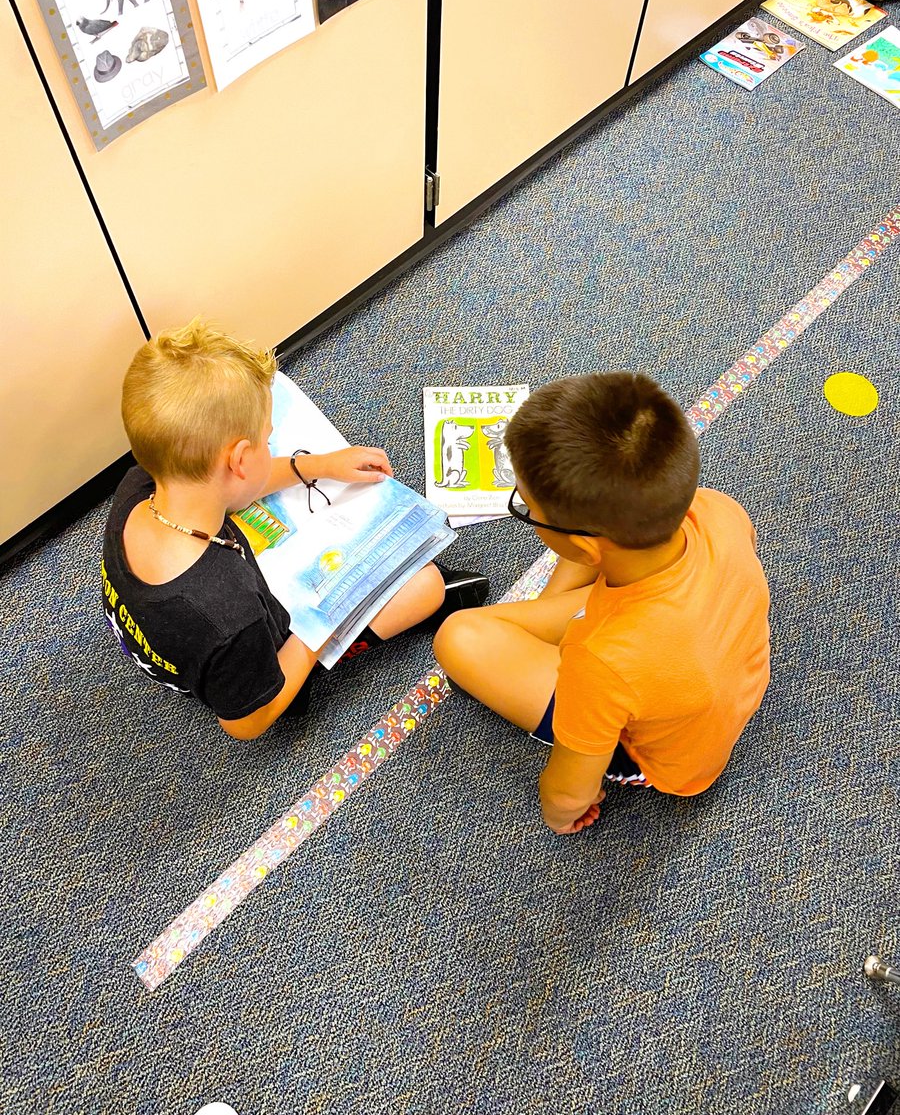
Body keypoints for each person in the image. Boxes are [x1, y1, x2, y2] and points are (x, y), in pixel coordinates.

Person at [101, 319, 487, 741]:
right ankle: (315, 668)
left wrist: (316, 465)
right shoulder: (230, 611)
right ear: (242, 459)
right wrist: (316, 631)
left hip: (179, 646)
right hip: (261, 682)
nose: (272, 446)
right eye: (268, 441)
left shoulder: (143, 485)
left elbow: (237, 488)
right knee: (426, 587)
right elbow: (245, 724)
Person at [434, 372, 770, 834]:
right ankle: (565, 623)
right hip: (694, 659)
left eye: (526, 508)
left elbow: (569, 792)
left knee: (457, 636)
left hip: (658, 757)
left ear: (590, 550)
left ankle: (558, 644)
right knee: (510, 630)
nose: (524, 511)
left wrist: (560, 813)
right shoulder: (717, 509)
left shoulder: (600, 661)